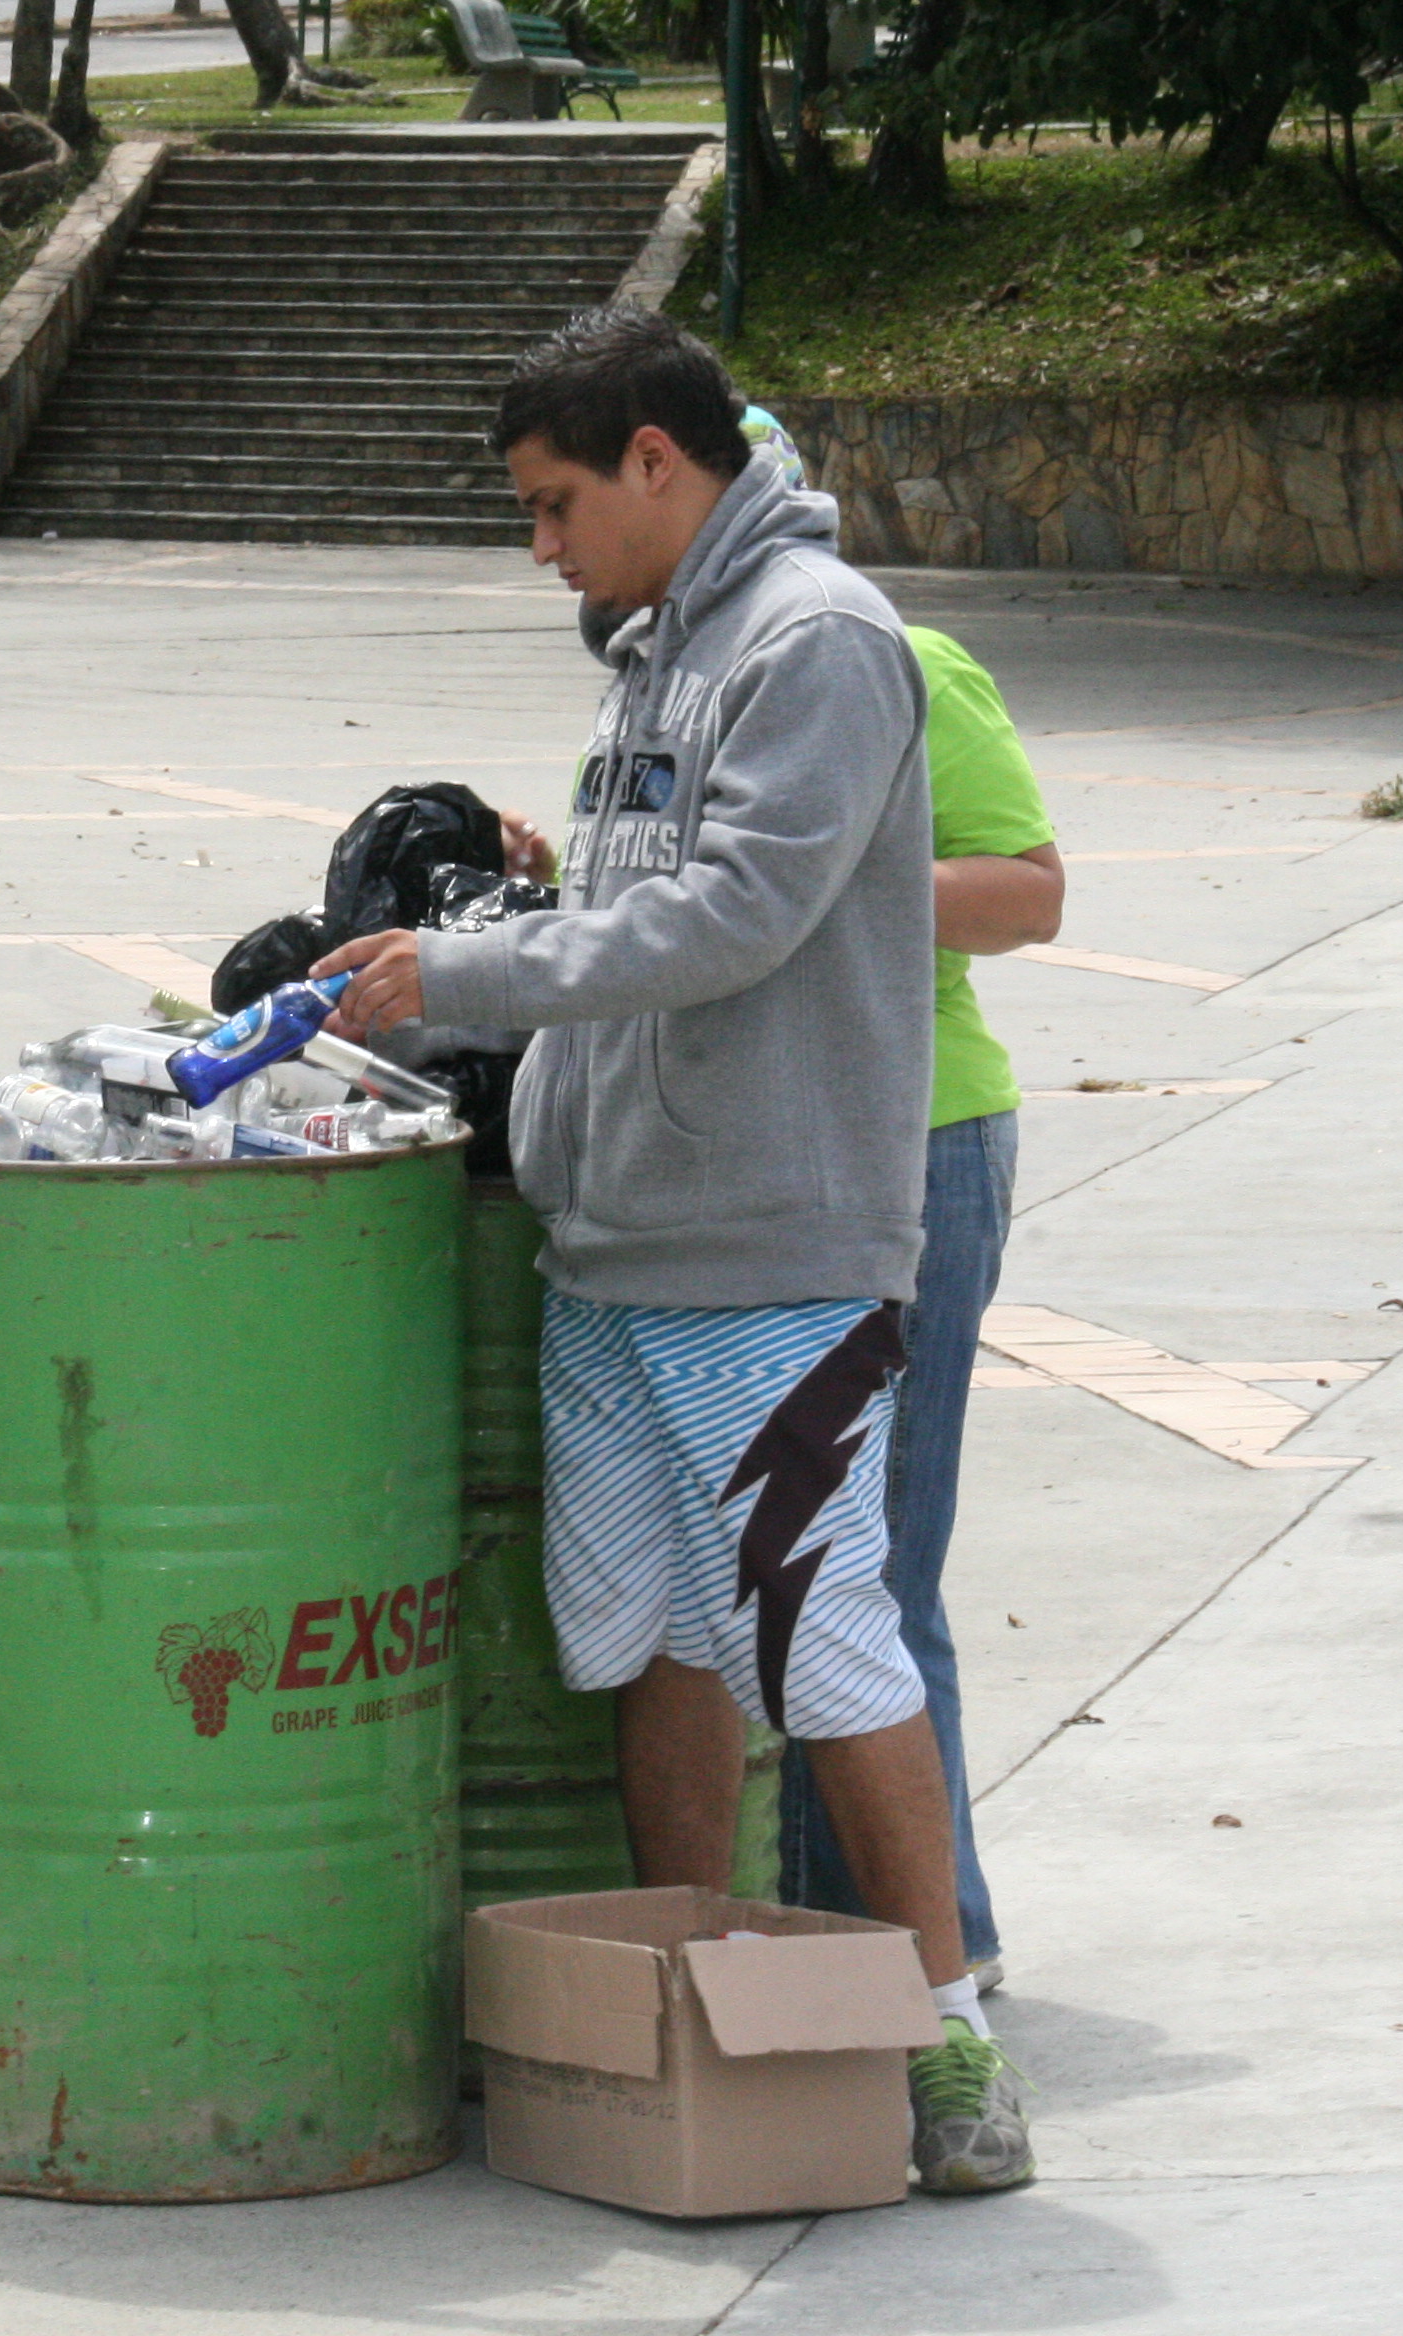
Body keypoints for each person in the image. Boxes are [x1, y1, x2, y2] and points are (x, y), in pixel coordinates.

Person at [313, 307, 1034, 2193]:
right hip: (617, 1239)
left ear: (658, 460)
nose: (541, 546)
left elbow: (732, 918)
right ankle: (689, 2003)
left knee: (824, 1638)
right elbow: (633, 907)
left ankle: (955, 2054)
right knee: (658, 1636)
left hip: (769, 1251)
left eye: (555, 505)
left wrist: (453, 971)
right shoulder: (662, 651)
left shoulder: (818, 643)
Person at [777, 624, 1062, 1998]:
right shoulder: (675, 677)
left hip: (917, 1139)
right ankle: (842, 1936)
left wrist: (825, 885)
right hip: (766, 1157)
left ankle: (930, 1943)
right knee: (782, 1570)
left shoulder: (904, 664)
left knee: (879, 1564)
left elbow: (1028, 892)